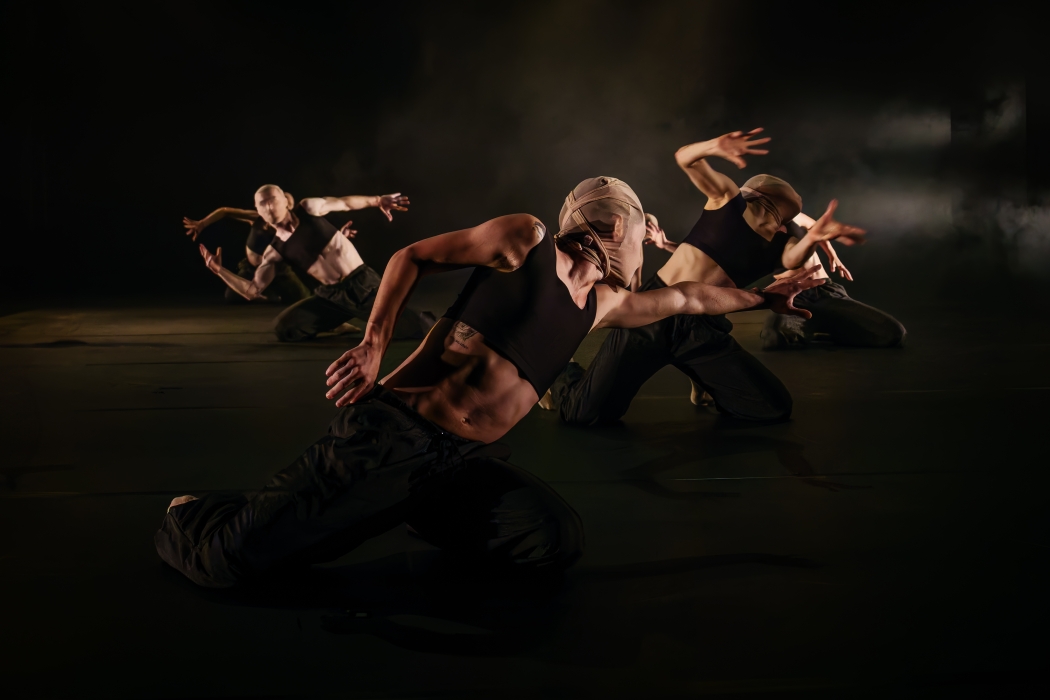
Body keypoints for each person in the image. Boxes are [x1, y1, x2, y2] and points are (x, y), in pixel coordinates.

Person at [157, 176, 824, 588]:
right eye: (639, 234)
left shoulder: (603, 304)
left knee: (548, 540)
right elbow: (412, 255)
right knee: (232, 563)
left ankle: (398, 509)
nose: (646, 246)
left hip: (456, 463)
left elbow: (690, 299)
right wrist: (374, 342)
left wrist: (767, 298)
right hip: (391, 437)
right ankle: (189, 513)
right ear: (617, 227)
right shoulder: (526, 240)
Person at [543, 129, 866, 425]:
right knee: (583, 415)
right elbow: (686, 158)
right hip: (655, 313)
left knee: (771, 407)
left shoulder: (785, 239)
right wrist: (714, 146)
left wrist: (814, 238)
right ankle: (562, 374)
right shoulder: (729, 202)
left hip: (703, 325)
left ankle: (704, 378)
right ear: (757, 196)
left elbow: (794, 259)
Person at [198, 185, 435, 342]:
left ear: (286, 201)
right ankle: (337, 323)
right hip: (330, 297)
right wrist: (220, 271)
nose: (269, 205)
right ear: (258, 211)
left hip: (360, 286)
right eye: (262, 203)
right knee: (286, 328)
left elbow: (345, 203)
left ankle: (439, 326)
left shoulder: (309, 209)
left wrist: (377, 200)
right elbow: (252, 290)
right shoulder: (274, 251)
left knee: (415, 329)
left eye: (272, 199)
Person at [645, 212, 907, 353]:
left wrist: (833, 255)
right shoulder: (748, 235)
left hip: (822, 291)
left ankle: (826, 326)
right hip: (790, 298)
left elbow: (818, 229)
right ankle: (808, 325)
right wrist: (665, 244)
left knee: (891, 335)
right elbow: (703, 259)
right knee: (773, 341)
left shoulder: (794, 217)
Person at [183, 205, 313, 305]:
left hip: (279, 271)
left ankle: (273, 291)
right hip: (251, 269)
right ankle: (266, 295)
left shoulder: (290, 228)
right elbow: (225, 211)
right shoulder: (258, 218)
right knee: (232, 296)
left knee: (304, 298)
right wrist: (203, 223)